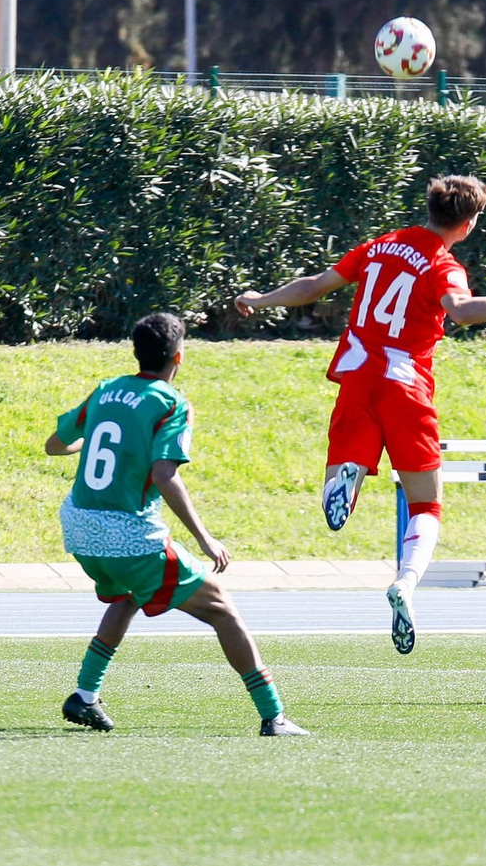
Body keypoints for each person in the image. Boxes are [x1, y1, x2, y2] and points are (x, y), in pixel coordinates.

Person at [234, 174, 486, 654]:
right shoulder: (441, 263)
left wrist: (261, 299)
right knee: (426, 506)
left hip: (356, 377)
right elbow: (462, 311)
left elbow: (318, 285)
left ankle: (345, 479)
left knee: (340, 480)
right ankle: (406, 583)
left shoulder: (380, 246)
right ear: (468, 223)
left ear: (430, 209)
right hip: (405, 387)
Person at [46, 312, 307, 735]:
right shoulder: (170, 402)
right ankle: (273, 715)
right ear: (179, 358)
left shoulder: (106, 390)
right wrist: (205, 538)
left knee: (127, 596)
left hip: (79, 527)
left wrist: (89, 444)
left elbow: (55, 445)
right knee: (223, 609)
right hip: (127, 535)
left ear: (135, 351)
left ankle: (85, 696)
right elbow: (166, 474)